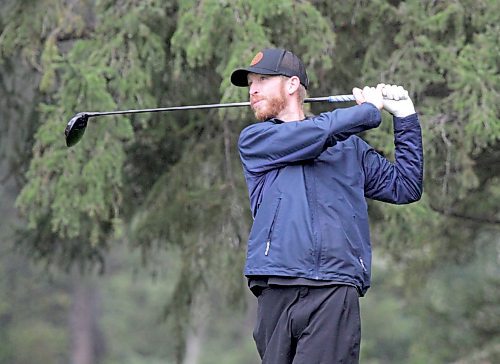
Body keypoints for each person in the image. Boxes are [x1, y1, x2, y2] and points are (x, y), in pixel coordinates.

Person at [230, 48, 423, 364]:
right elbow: (313, 135)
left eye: (262, 80)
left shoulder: (350, 149)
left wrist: (405, 118)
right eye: (251, 83)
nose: (253, 90)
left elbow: (405, 186)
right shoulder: (256, 140)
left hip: (335, 289)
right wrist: (367, 111)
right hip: (276, 287)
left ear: (292, 85)